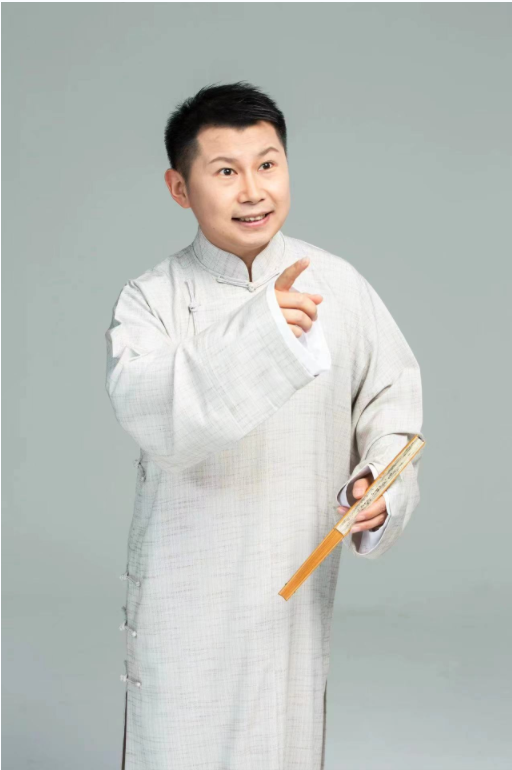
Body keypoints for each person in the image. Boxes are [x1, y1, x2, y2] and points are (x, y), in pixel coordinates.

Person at [105, 81, 425, 770]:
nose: (253, 190)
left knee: (282, 742)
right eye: (225, 171)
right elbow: (152, 411)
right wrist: (263, 331)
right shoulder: (152, 299)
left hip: (292, 583)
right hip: (187, 585)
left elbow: (393, 401)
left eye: (268, 164)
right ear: (180, 187)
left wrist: (379, 483)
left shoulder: (339, 285)